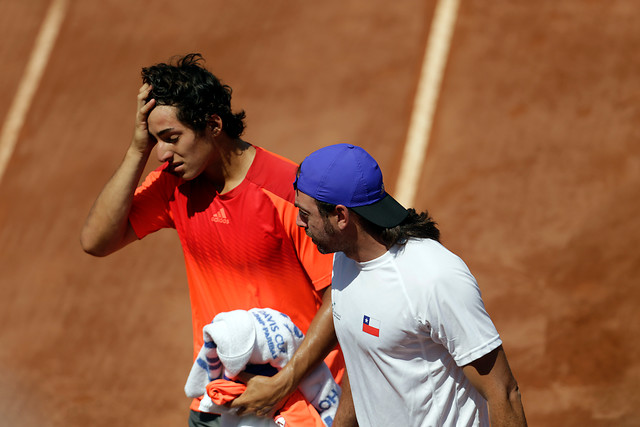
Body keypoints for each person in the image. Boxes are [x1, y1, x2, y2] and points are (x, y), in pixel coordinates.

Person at [79, 53, 350, 427]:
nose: (162, 153)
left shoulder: (288, 191)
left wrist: (284, 383)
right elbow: (97, 240)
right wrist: (136, 149)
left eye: (171, 138)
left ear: (213, 125)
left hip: (298, 402)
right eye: (155, 141)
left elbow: (338, 296)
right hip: (217, 399)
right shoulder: (172, 186)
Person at [291, 143, 528, 426]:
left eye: (305, 214)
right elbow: (367, 363)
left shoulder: (433, 277)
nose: (298, 222)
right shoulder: (344, 260)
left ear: (341, 216)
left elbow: (503, 392)